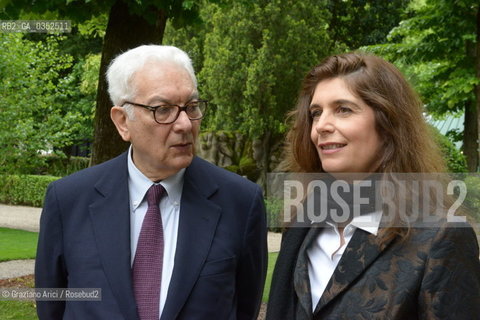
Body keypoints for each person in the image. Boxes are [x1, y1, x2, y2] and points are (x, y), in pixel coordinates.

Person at [35, 45, 267, 320]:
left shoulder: (240, 202)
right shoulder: (68, 200)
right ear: (123, 122)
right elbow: (51, 306)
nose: (184, 124)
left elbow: (245, 307)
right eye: (163, 109)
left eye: (191, 107)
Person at [266, 52, 480, 319]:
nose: (321, 125)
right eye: (316, 113)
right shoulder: (304, 223)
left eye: (343, 109)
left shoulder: (441, 236)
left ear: (388, 124)